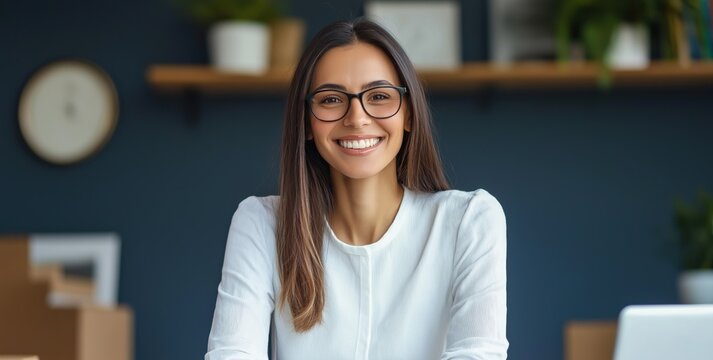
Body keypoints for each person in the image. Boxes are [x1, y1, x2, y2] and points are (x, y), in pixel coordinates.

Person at [205, 18, 508, 360]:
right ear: (306, 121)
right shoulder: (261, 224)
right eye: (332, 99)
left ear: (408, 114)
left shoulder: (470, 221)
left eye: (379, 96)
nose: (357, 117)